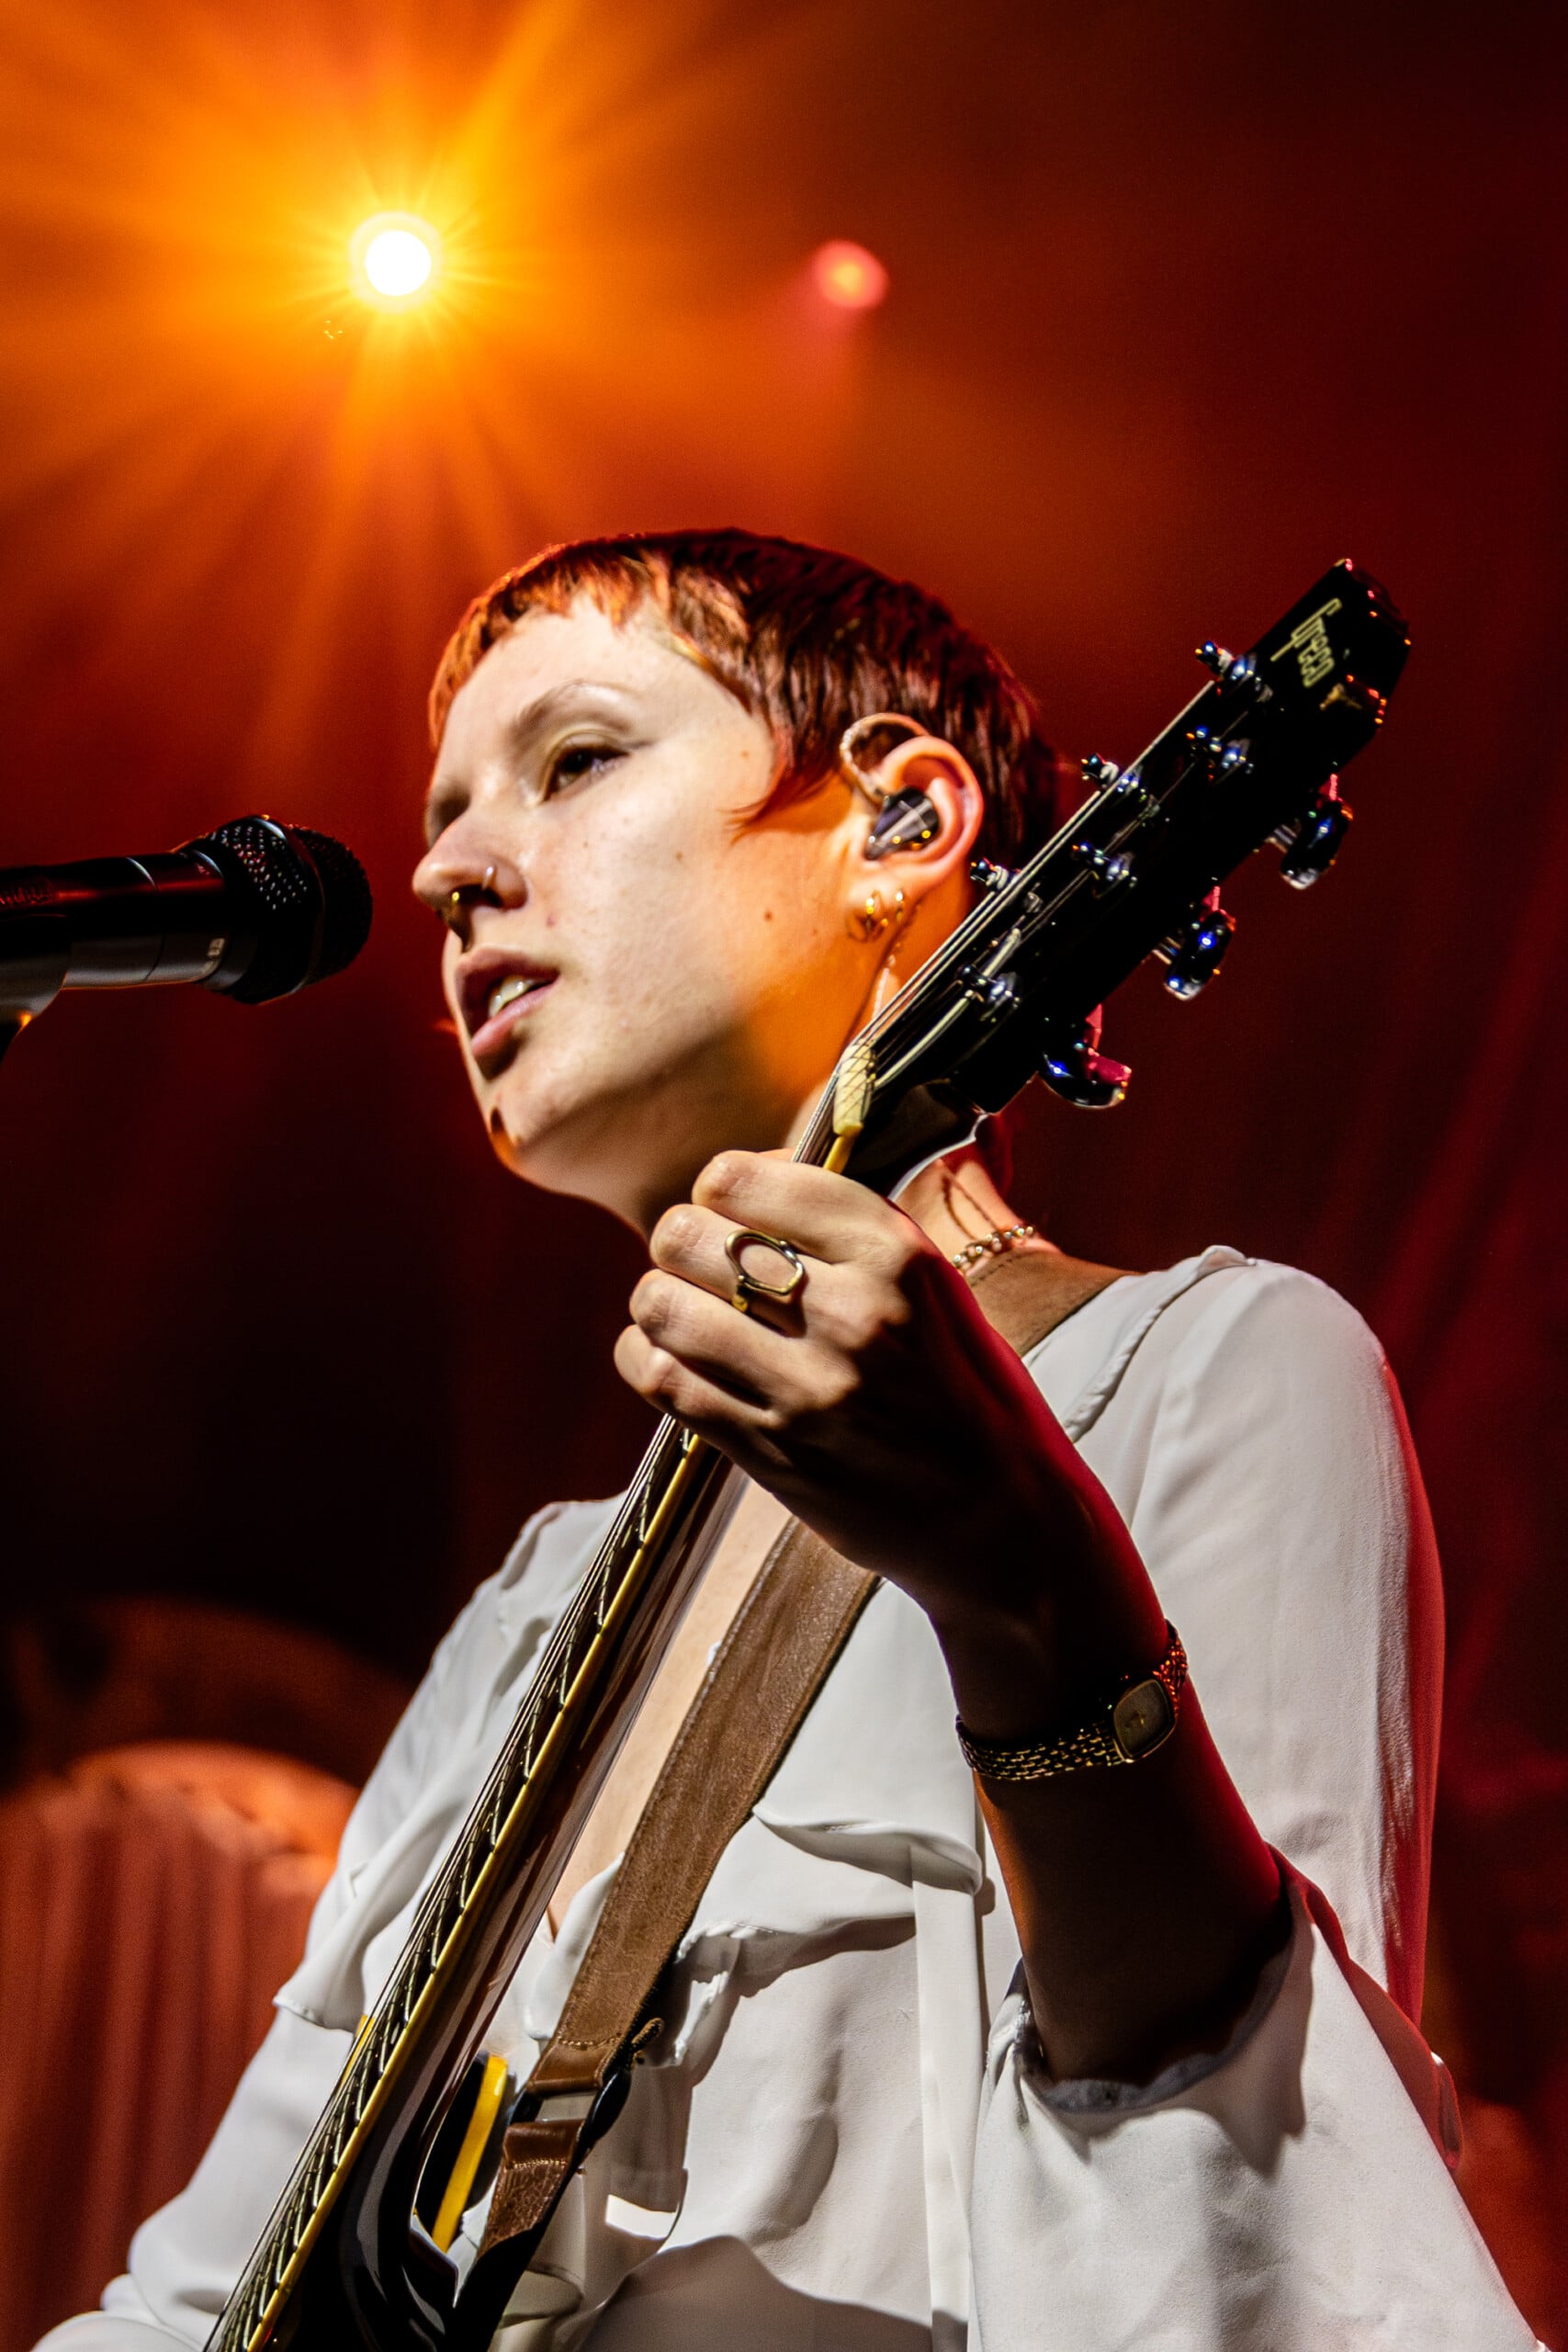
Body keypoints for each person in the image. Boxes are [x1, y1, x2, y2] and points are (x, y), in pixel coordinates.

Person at [38, 531, 1536, 2350]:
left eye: (573, 759)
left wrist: (1024, 1587)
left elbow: (1256, 2204)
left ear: (901, 821)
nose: (442, 870)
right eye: (443, 815)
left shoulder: (1203, 1370)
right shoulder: (535, 1602)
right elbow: (201, 2299)